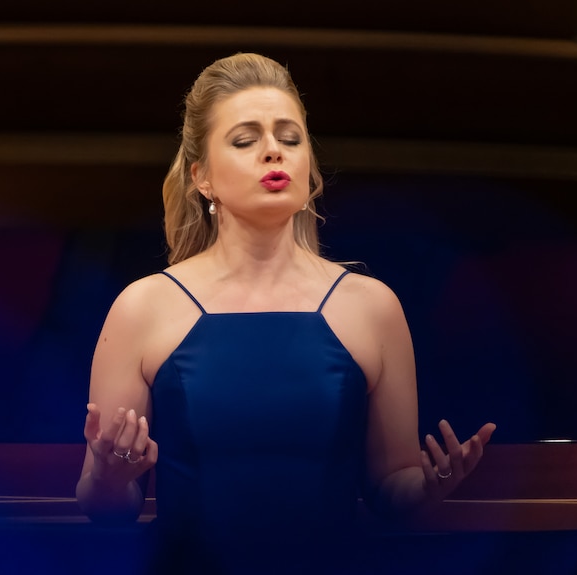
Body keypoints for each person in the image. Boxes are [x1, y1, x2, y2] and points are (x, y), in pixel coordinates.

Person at [75, 52, 496, 574]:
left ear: (309, 169)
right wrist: (109, 474)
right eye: (246, 140)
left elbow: (392, 489)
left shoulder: (372, 306)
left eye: (290, 138)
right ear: (201, 176)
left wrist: (433, 486)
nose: (273, 152)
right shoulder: (142, 307)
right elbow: (103, 507)